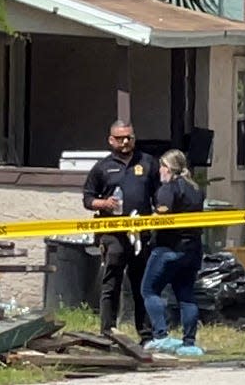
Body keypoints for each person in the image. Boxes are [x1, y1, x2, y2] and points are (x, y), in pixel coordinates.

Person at [82, 120, 159, 344]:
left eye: (129, 137)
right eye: (120, 138)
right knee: (111, 284)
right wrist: (103, 203)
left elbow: (159, 195)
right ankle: (108, 332)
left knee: (141, 285)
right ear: (110, 140)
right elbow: (87, 199)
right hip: (113, 234)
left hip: (140, 235)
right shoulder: (102, 168)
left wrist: (159, 214)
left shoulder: (147, 163)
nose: (125, 142)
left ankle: (146, 335)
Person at [141, 149, 205, 356]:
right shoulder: (195, 189)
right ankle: (189, 343)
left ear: (168, 169)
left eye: (162, 166)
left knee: (149, 290)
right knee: (186, 295)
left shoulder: (168, 189)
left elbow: (162, 216)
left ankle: (161, 336)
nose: (160, 170)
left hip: (169, 248)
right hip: (192, 250)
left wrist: (142, 222)